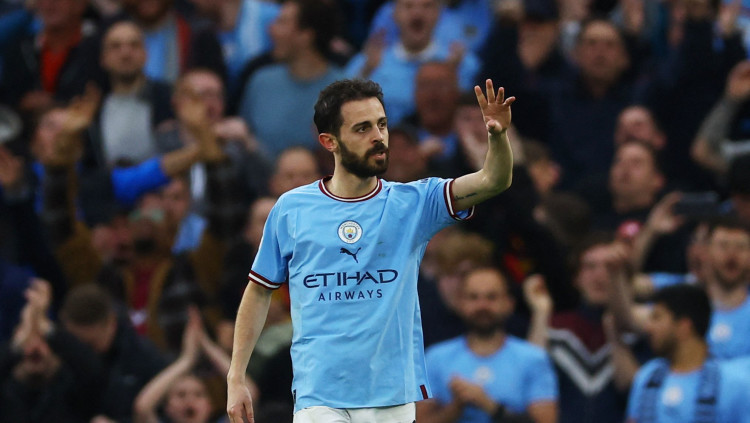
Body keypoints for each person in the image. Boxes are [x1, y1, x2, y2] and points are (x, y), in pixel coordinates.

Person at [226, 77, 515, 423]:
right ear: (329, 141)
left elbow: (493, 180)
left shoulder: (414, 202)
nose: (378, 136)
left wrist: (498, 136)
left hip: (391, 397)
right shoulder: (292, 208)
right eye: (362, 128)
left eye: (381, 124)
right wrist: (236, 377)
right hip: (319, 395)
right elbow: (259, 291)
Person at [418, 267, 558, 423]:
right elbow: (419, 420)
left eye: (491, 297)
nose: (482, 305)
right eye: (473, 297)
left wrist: (489, 405)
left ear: (509, 303)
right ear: (460, 303)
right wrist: (455, 406)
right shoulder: (435, 358)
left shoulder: (533, 359)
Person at [626, 284, 750, 423]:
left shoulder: (733, 384)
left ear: (684, 326)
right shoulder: (647, 375)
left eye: (657, 317)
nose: (648, 327)